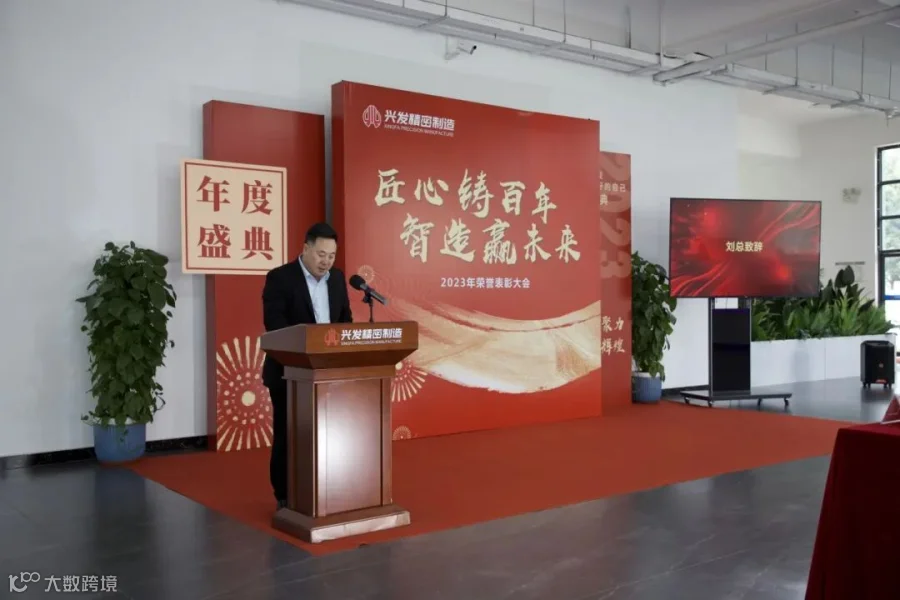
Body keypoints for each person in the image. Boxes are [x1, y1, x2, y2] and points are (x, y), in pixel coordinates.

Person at [261, 222, 353, 509]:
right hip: (289, 372)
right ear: (306, 249)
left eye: (332, 256)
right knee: (289, 433)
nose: (326, 261)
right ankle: (285, 494)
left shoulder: (337, 279)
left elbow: (345, 321)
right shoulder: (280, 278)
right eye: (321, 254)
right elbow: (275, 325)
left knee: (329, 433)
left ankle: (326, 487)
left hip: (328, 373)